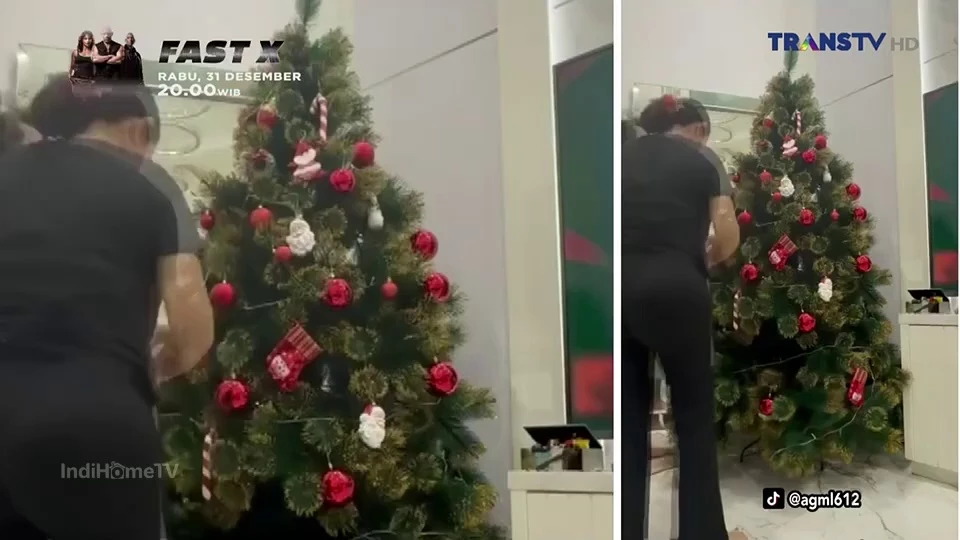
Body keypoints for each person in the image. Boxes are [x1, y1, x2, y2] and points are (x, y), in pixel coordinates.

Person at [0, 75, 213, 540]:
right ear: (138, 130)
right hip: (96, 427)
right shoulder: (150, 187)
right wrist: (153, 367)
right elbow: (192, 329)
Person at [621, 95, 744, 540]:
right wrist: (703, 260)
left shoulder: (620, 156)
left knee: (628, 422)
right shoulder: (703, 160)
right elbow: (727, 230)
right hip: (680, 292)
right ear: (693, 129)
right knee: (693, 419)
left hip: (622, 290)